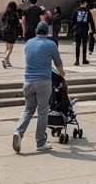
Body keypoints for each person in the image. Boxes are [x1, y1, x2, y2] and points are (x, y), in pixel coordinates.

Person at [12, 21, 64, 154]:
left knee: (28, 109)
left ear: (36, 30)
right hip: (43, 82)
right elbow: (58, 63)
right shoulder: (51, 44)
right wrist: (62, 74)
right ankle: (40, 142)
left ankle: (19, 132)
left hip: (28, 81)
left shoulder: (29, 43)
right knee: (42, 112)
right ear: (47, 32)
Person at [71, 0, 91, 65]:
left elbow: (72, 20)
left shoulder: (76, 10)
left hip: (77, 30)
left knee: (77, 45)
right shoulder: (88, 11)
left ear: (80, 3)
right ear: (85, 3)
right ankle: (84, 59)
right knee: (84, 45)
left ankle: (77, 60)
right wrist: (93, 30)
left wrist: (72, 29)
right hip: (85, 30)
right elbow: (91, 21)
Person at [1, 2, 19, 69]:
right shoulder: (14, 14)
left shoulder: (5, 13)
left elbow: (3, 20)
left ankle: (7, 62)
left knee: (7, 48)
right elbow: (17, 22)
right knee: (10, 48)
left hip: (5, 31)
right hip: (11, 32)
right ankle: (5, 59)